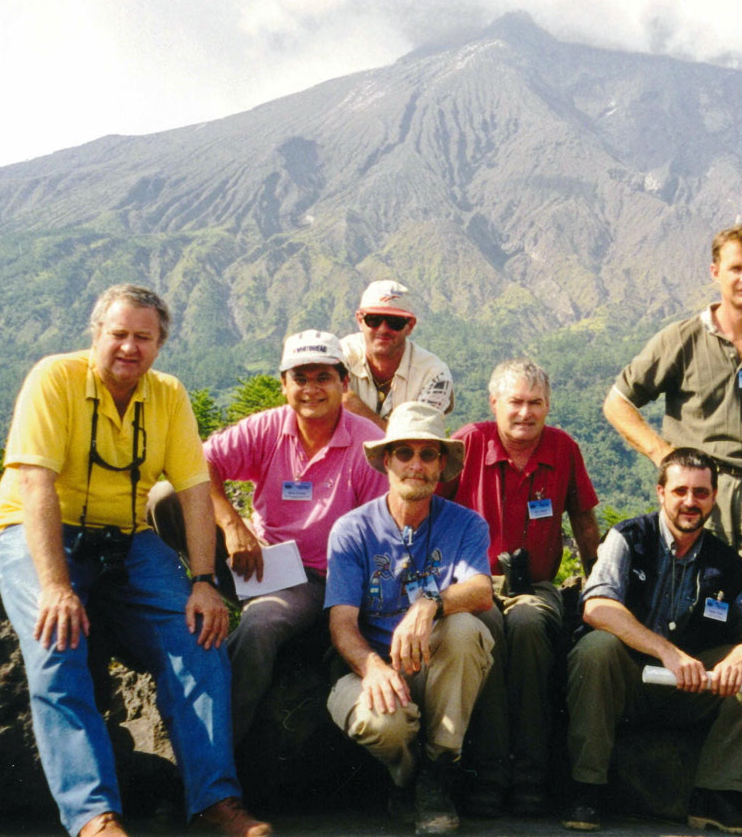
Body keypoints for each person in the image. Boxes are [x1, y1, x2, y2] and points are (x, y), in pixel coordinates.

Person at [0, 285, 269, 837]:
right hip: (37, 526)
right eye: (118, 334)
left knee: (199, 636)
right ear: (96, 334)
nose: (129, 347)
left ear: (160, 344)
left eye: (144, 337)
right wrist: (55, 585)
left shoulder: (168, 394)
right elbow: (36, 485)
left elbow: (193, 489)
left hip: (127, 535)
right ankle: (94, 815)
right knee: (57, 643)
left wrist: (203, 580)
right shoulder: (55, 378)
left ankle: (215, 800)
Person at [151, 329, 388, 744]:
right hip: (256, 558)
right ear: (283, 384)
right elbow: (198, 464)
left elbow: (379, 535)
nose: (311, 390)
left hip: (318, 578)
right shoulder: (269, 427)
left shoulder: (367, 444)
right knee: (165, 497)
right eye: (300, 378)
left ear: (344, 383)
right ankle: (192, 591)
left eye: (323, 377)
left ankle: (219, 748)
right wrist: (233, 524)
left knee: (260, 625)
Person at [564, 447, 742, 834]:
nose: (690, 502)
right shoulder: (629, 537)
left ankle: (718, 794)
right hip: (629, 681)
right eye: (680, 491)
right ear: (661, 493)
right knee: (595, 648)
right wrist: (665, 651)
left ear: (713, 498)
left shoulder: (724, 560)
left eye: (701, 493)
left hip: (693, 688)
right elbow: (597, 607)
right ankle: (587, 788)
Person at [604, 224, 742, 634]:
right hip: (697, 497)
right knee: (687, 623)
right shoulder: (681, 339)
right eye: (736, 268)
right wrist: (663, 454)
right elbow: (617, 403)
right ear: (715, 272)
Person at [440, 358, 603, 816]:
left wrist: (599, 585)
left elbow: (585, 521)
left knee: (530, 625)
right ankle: (489, 773)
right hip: (473, 579)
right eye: (515, 402)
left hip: (536, 583)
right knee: (487, 625)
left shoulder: (563, 448)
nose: (525, 413)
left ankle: (530, 774)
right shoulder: (469, 443)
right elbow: (432, 509)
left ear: (548, 405)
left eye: (535, 402)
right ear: (494, 403)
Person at [324, 402, 495, 835]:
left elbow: (481, 590)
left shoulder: (466, 524)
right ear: (387, 460)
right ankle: (409, 779)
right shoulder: (352, 530)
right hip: (371, 667)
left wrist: (428, 604)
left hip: (433, 667)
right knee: (380, 723)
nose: (416, 465)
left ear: (441, 465)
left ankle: (438, 771)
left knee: (465, 628)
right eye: (404, 453)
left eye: (428, 454)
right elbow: (342, 623)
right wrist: (372, 668)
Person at [340, 280, 455, 428]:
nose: (383, 329)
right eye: (373, 320)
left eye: (394, 322)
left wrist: (354, 406)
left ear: (410, 326)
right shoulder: (338, 355)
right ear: (359, 320)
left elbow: (418, 436)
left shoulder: (434, 374)